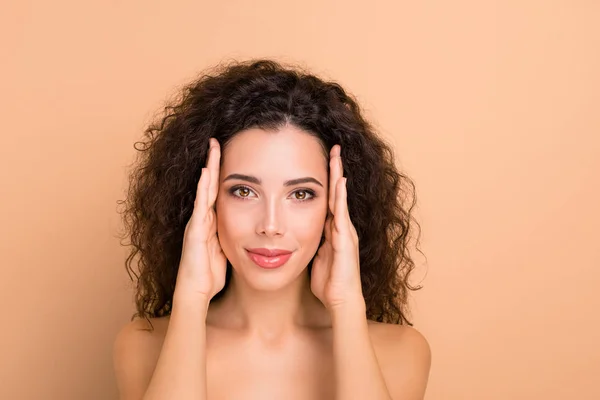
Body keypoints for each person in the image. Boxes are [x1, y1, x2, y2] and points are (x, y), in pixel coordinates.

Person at [113, 59, 431, 400]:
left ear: (337, 207)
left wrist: (347, 306)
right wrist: (190, 300)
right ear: (204, 200)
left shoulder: (401, 352)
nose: (271, 226)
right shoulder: (142, 346)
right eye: (243, 191)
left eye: (301, 194)